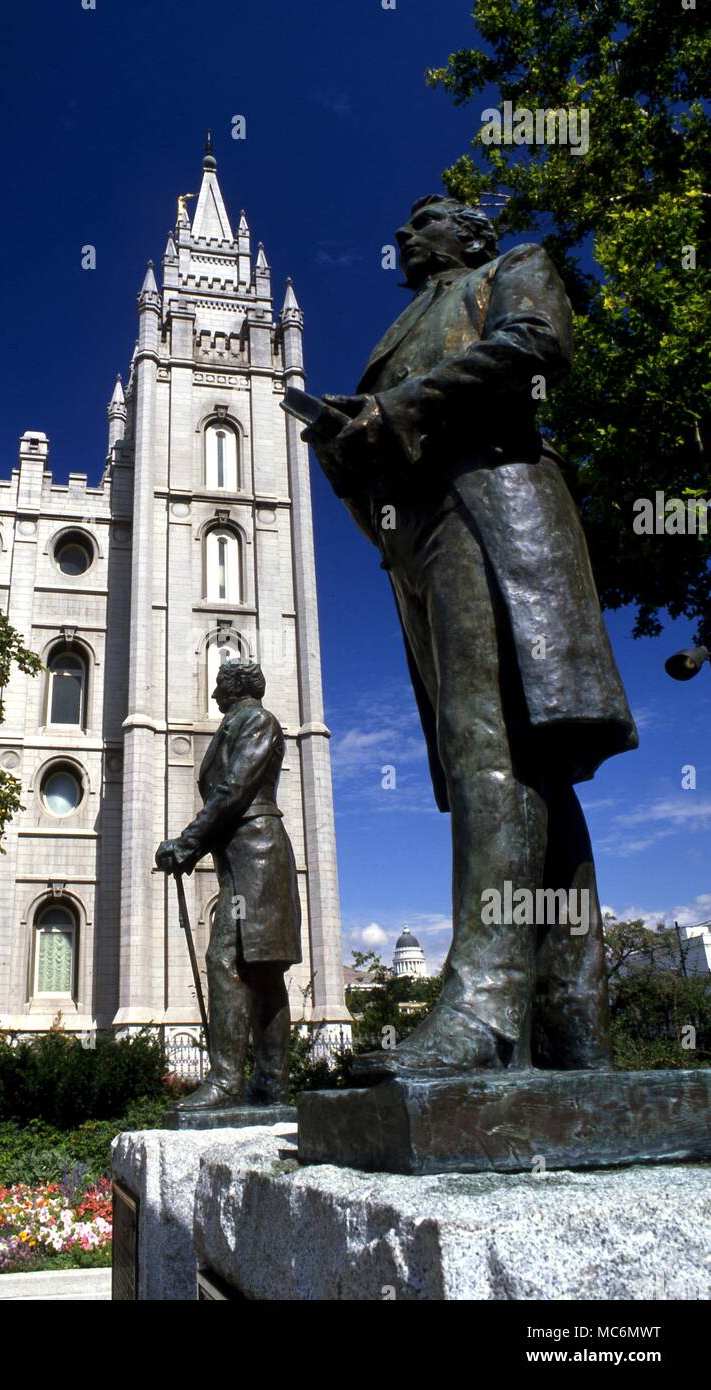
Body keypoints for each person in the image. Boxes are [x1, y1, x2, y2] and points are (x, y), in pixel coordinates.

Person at [302, 194, 638, 1077]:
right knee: (520, 770)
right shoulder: (401, 328)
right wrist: (346, 444)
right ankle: (573, 1035)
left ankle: (484, 1012)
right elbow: (377, 461)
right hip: (417, 540)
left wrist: (402, 404)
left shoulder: (510, 269)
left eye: (424, 220)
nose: (404, 233)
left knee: (488, 739)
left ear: (472, 235)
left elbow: (537, 343)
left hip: (493, 504)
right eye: (403, 222)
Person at [155, 659, 302, 1108]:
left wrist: (187, 843)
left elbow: (234, 789)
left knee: (232, 960)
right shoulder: (236, 724)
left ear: (236, 687)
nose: (213, 691)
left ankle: (227, 1081)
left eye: (219, 683)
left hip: (256, 853)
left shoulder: (257, 721)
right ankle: (270, 1083)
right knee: (258, 966)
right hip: (239, 853)